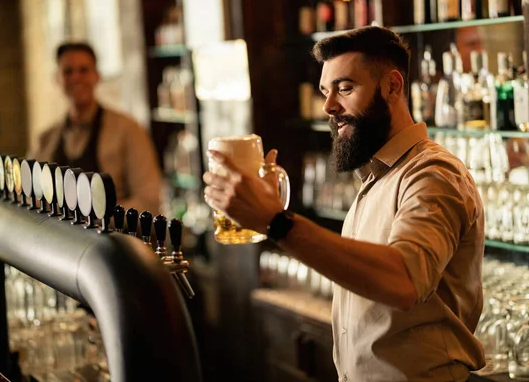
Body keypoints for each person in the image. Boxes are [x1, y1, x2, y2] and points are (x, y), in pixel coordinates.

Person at [203, 27, 485, 381]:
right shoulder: (377, 177)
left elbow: (403, 281)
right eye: (325, 91)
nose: (328, 106)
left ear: (392, 87)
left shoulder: (432, 174)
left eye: (345, 88)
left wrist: (278, 222)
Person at [29, 42, 161, 213]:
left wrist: (97, 216)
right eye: (68, 71)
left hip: (112, 237)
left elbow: (149, 201)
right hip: (59, 238)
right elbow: (30, 194)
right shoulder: (45, 140)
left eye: (84, 70)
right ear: (57, 79)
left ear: (97, 76)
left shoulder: (128, 130)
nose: (76, 77)